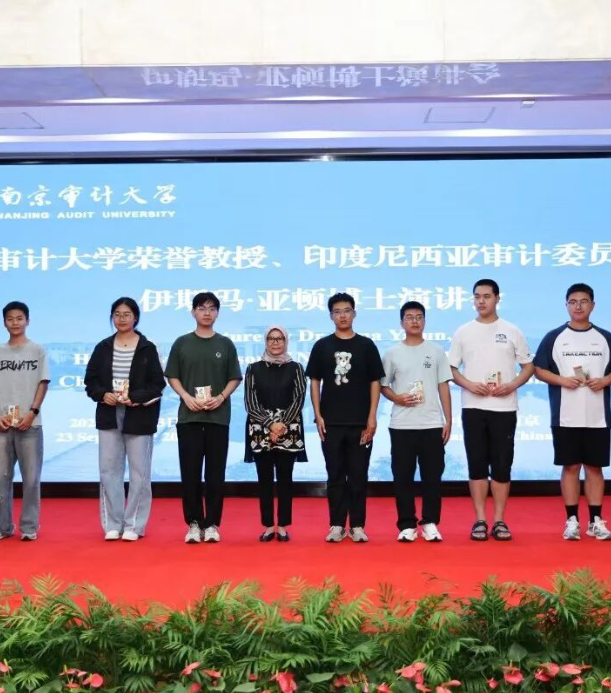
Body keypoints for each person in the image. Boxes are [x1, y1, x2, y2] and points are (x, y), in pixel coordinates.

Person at [448, 279, 533, 542]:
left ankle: (499, 520)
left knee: (501, 465)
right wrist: (469, 384)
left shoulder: (511, 330)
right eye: (477, 296)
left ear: (497, 298)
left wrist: (512, 385)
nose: (481, 301)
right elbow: (451, 369)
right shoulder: (463, 331)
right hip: (473, 407)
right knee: (476, 464)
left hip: (504, 407)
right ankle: (480, 520)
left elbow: (528, 366)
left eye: (486, 296)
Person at [534, 283, 611, 541]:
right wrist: (562, 380)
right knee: (570, 467)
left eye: (583, 301)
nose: (578, 306)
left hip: (598, 416)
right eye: (573, 302)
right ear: (566, 305)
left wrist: (605, 381)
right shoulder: (554, 337)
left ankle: (596, 521)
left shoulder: (605, 338)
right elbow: (539, 369)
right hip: (565, 415)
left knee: (594, 468)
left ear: (593, 305)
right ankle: (572, 521)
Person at [305, 292, 385, 543]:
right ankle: (337, 524)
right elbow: (314, 381)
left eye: (346, 310)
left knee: (359, 475)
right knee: (335, 475)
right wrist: (318, 415)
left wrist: (372, 417)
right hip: (331, 423)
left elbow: (375, 382)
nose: (342, 315)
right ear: (331, 316)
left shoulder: (366, 345)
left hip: (360, 422)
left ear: (354, 313)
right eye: (337, 311)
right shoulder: (322, 346)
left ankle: (358, 525)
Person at [84, 297, 165, 541]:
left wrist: (135, 397)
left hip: (139, 415)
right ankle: (113, 523)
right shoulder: (103, 347)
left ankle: (134, 525)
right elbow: (90, 381)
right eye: (117, 314)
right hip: (109, 414)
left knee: (140, 472)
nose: (121, 318)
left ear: (135, 317)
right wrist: (103, 395)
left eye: (126, 314)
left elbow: (157, 385)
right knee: (109, 470)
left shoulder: (147, 348)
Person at [165, 292, 242, 544]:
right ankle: (194, 523)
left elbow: (235, 377)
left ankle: (212, 524)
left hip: (218, 418)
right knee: (190, 473)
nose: (207, 312)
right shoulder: (182, 343)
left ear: (217, 313)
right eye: (201, 308)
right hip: (189, 417)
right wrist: (186, 396)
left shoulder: (225, 344)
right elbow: (172, 376)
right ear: (193, 312)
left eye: (211, 308)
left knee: (215, 474)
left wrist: (221, 397)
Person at [381, 301, 452, 542]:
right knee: (403, 477)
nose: (414, 321)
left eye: (419, 317)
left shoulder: (437, 351)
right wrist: (397, 398)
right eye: (409, 317)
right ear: (401, 322)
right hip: (402, 425)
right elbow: (383, 386)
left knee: (432, 477)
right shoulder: (392, 353)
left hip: (431, 423)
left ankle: (430, 522)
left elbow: (443, 386)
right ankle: (407, 525)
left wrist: (448, 420)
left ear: (424, 321)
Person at [244, 326, 307, 542]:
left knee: (285, 479)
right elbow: (250, 402)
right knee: (264, 480)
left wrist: (281, 425)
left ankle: (283, 526)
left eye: (279, 338)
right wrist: (271, 424)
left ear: (286, 341)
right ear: (265, 341)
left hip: (288, 430)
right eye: (271, 338)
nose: (275, 342)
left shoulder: (296, 368)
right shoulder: (253, 368)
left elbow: (299, 399)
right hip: (260, 430)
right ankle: (269, 525)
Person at [0, 301, 50, 541]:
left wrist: (32, 412)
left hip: (30, 424)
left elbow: (43, 383)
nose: (15, 323)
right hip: (2, 426)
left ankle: (29, 528)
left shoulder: (37, 350)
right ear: (4, 322)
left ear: (27, 321)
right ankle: (3, 527)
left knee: (31, 479)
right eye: (10, 319)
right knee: (1, 478)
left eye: (19, 318)